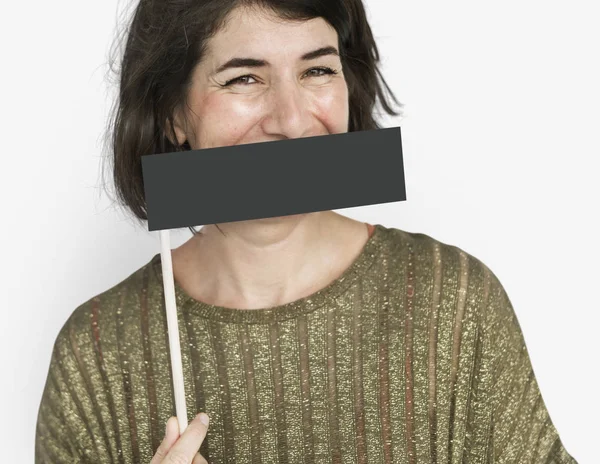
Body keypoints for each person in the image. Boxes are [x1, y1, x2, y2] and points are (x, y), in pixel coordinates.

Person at [35, 0, 577, 463]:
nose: (292, 122)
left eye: (317, 70)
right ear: (174, 112)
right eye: (245, 77)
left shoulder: (455, 303)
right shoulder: (96, 355)